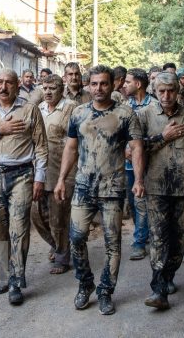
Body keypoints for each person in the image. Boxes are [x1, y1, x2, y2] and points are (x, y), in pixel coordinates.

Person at [54, 65, 144, 315]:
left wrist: (138, 179)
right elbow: (71, 148)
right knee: (76, 238)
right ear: (88, 85)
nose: (99, 89)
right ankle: (85, 284)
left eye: (104, 83)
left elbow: (136, 148)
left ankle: (105, 291)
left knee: (112, 244)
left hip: (113, 187)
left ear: (112, 84)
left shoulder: (125, 114)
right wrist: (61, 178)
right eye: (94, 84)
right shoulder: (79, 113)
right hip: (83, 186)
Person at [0, 69, 47, 305]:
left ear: (17, 86)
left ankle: (16, 279)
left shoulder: (29, 109)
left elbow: (41, 146)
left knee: (19, 227)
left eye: (8, 83)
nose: (3, 87)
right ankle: (4, 276)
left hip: (22, 174)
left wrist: (39, 178)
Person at [138, 72, 184, 309]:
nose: (166, 96)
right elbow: (134, 149)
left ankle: (168, 277)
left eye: (171, 91)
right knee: (157, 238)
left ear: (178, 91)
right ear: (154, 92)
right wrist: (163, 137)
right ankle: (158, 290)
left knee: (178, 242)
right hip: (155, 187)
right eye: (161, 91)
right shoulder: (145, 115)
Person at [31, 74, 76, 274]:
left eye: (53, 88)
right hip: (41, 171)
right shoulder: (38, 108)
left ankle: (62, 258)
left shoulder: (71, 108)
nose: (48, 92)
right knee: (36, 215)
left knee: (59, 218)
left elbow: (76, 141)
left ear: (62, 89)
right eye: (45, 88)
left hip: (62, 172)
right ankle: (58, 245)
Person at [122, 68, 156, 260]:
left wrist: (140, 149)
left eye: (128, 82)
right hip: (128, 165)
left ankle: (140, 241)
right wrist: (124, 150)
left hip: (150, 163)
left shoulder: (155, 106)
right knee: (134, 202)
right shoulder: (125, 106)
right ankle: (142, 234)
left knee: (144, 202)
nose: (124, 85)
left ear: (138, 84)